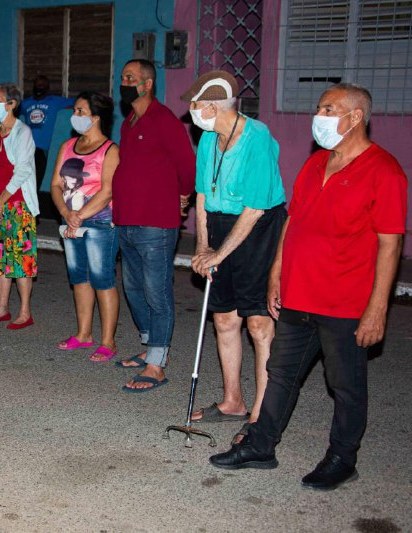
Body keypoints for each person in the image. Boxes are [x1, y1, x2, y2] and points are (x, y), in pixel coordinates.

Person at [210, 84, 407, 491]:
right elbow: (292, 221)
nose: (319, 116)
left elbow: (391, 245)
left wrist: (378, 308)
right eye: (319, 107)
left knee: (345, 385)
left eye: (329, 109)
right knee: (280, 372)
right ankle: (261, 445)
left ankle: (341, 458)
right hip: (299, 293)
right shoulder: (316, 164)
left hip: (345, 301)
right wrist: (276, 274)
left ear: (354, 117)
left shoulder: (384, 171)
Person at [181, 71, 287, 446]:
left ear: (211, 106)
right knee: (224, 317)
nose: (191, 112)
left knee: (258, 323)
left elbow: (256, 208)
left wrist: (218, 253)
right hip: (224, 224)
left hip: (258, 226)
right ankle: (232, 401)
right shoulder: (208, 139)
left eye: (194, 105)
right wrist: (202, 248)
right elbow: (203, 197)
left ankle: (260, 413)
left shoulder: (256, 138)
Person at [112, 59, 195, 391]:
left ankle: (157, 364)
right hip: (127, 220)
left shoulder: (164, 120)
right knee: (133, 289)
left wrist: (184, 195)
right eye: (122, 77)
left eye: (130, 78)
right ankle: (151, 348)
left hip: (156, 223)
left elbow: (186, 164)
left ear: (147, 84)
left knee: (156, 292)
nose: (124, 82)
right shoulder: (130, 121)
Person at [50, 92, 120, 362]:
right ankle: (83, 334)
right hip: (71, 220)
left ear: (96, 117)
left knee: (103, 280)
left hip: (99, 222)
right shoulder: (67, 146)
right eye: (75, 111)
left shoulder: (110, 150)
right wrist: (66, 213)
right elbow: (56, 184)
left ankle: (108, 341)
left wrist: (78, 215)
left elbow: (108, 190)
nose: (75, 116)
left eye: (80, 111)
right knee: (79, 278)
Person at [0, 82, 39, 330]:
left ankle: (25, 311)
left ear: (12, 104)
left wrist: (0, 201)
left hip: (16, 205)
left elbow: (22, 170)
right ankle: (2, 308)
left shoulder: (23, 133)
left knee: (21, 260)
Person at [20, 75, 74, 189]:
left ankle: (33, 205)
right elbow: (11, 110)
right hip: (26, 147)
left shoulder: (54, 101)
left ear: (47, 88)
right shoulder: (25, 103)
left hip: (42, 149)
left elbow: (77, 102)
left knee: (36, 182)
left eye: (43, 85)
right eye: (38, 85)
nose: (40, 87)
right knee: (23, 180)